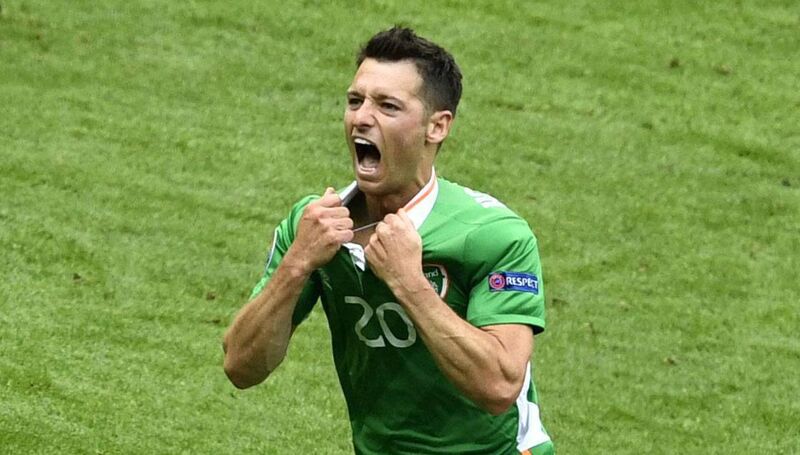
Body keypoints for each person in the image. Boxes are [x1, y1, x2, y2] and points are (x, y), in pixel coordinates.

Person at [223, 26, 554, 455]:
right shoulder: (315, 226)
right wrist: (297, 263)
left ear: (436, 127)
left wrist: (409, 283)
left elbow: (499, 386)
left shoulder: (494, 234)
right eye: (355, 101)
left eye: (388, 106)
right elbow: (241, 367)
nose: (362, 117)